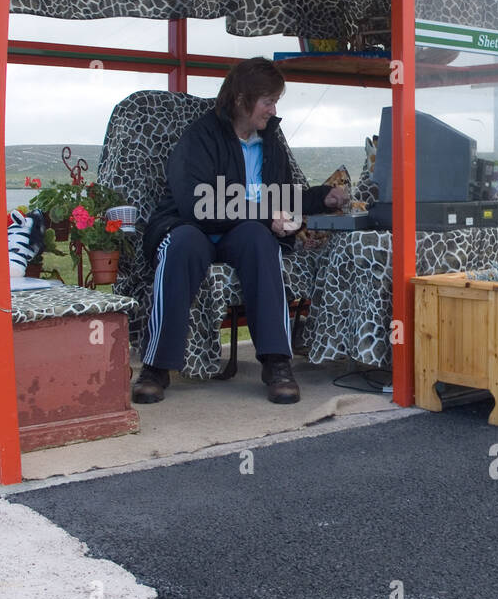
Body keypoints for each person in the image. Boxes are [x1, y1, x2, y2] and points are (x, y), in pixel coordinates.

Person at [133, 57, 348, 405]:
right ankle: (156, 367)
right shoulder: (200, 137)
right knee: (181, 245)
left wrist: (323, 197)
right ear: (241, 100)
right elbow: (198, 205)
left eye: (276, 101)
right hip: (192, 226)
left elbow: (280, 197)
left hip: (243, 232)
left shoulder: (270, 142)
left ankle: (277, 362)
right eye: (268, 101)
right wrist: (267, 215)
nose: (273, 109)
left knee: (260, 241)